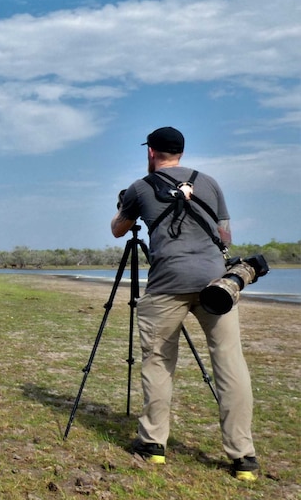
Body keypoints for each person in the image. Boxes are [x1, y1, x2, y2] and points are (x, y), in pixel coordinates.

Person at [111, 126, 258, 481]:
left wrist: (124, 209)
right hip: (216, 284)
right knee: (229, 363)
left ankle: (153, 445)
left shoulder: (139, 188)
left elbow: (119, 229)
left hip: (166, 285)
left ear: (151, 153)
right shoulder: (209, 183)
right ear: (181, 152)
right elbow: (225, 235)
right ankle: (243, 458)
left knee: (159, 362)